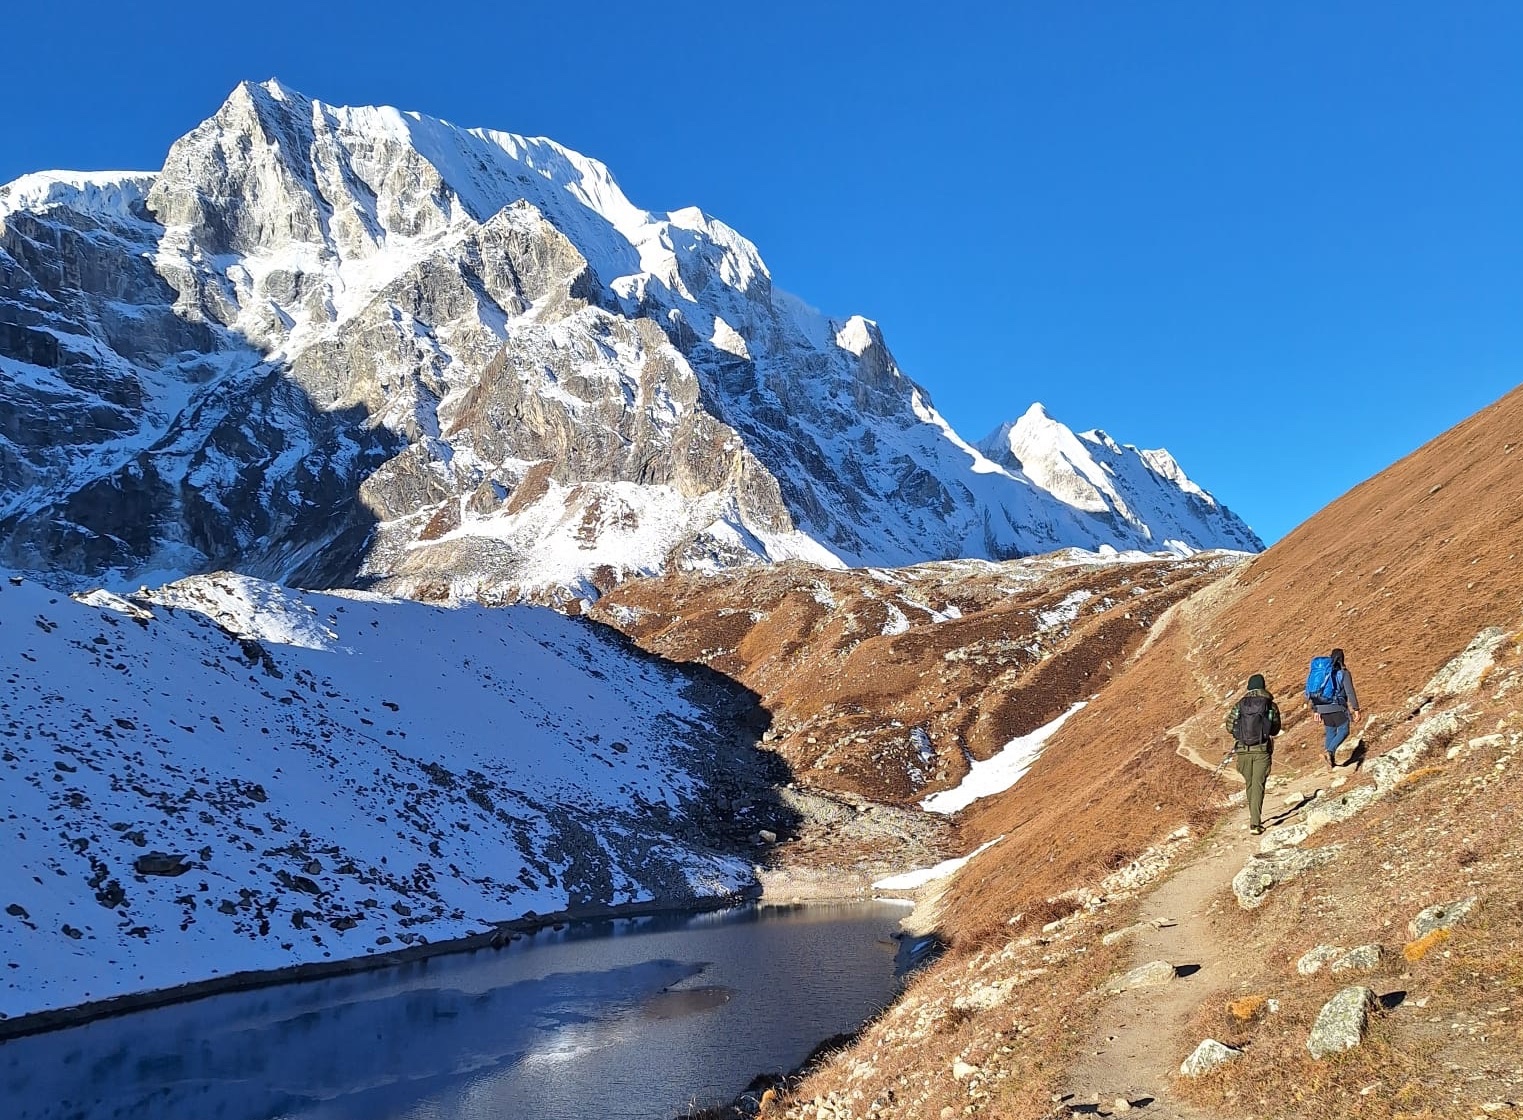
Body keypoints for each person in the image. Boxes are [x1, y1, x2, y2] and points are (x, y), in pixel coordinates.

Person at [1225, 673, 1282, 835]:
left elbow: (1230, 727)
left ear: (1249, 687)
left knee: (1250, 784)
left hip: (1243, 750)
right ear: (1263, 686)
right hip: (1262, 750)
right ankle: (1255, 823)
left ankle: (1253, 817)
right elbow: (1275, 729)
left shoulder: (1239, 705)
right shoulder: (1270, 705)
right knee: (1257, 785)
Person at [1312, 648, 1361, 768]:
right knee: (1344, 730)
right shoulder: (1344, 673)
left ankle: (1330, 763)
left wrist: (1316, 710)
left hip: (1322, 707)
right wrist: (1356, 709)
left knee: (1331, 731)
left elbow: (1315, 691)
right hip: (1337, 707)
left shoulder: (1323, 673)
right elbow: (1350, 692)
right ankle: (1329, 752)